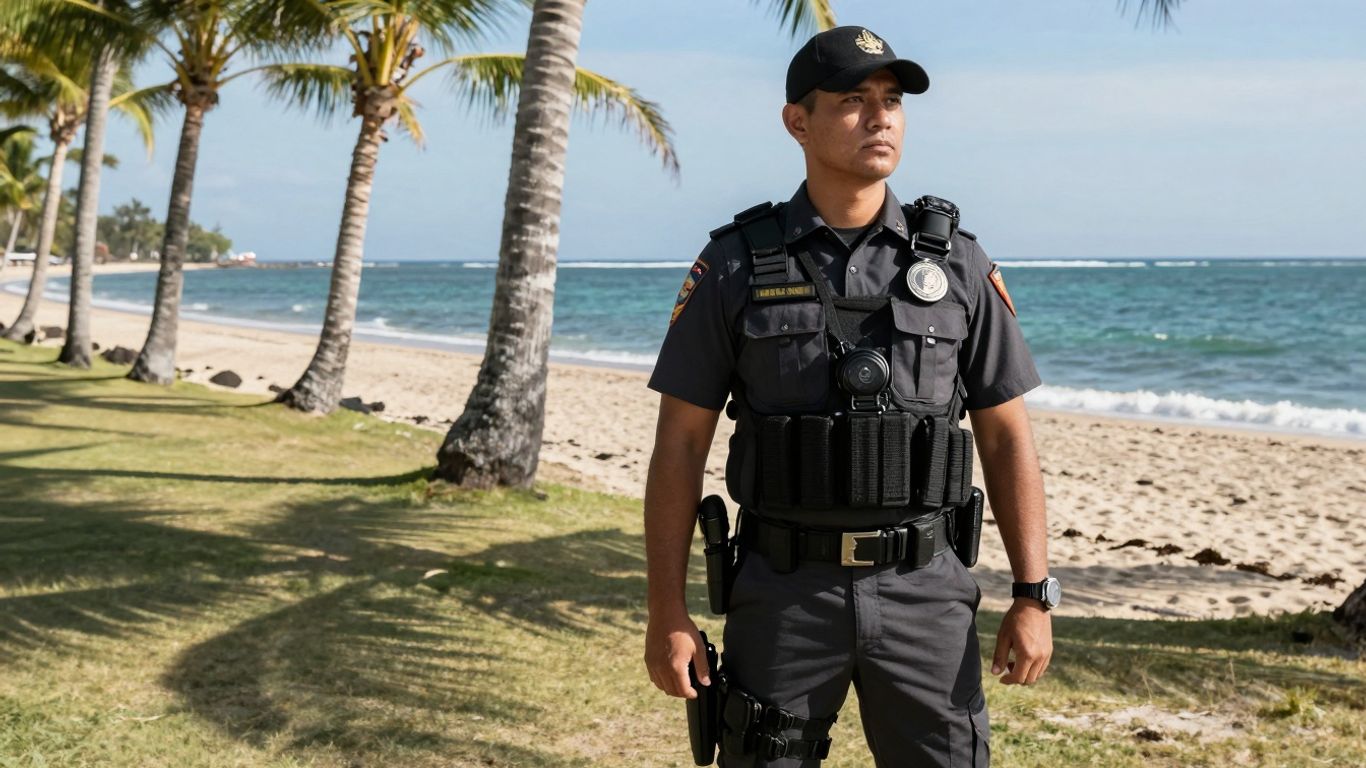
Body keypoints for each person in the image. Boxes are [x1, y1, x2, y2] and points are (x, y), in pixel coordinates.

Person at [643, 25, 1057, 767]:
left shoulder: (958, 265)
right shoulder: (737, 264)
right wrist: (666, 612)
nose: (881, 117)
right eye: (854, 100)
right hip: (783, 598)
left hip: (925, 594)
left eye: (893, 100)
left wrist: (1032, 595)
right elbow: (679, 443)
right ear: (797, 121)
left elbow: (1006, 437)